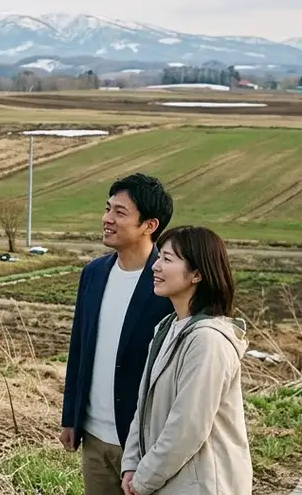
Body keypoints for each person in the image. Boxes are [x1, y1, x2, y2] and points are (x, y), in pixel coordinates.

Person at [60, 173, 175, 495]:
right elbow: (79, 347)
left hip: (143, 440)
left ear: (149, 225)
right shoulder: (94, 273)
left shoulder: (166, 281)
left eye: (120, 213)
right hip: (94, 436)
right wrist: (71, 416)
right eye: (107, 209)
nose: (107, 219)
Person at [120, 225, 252, 495]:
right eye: (159, 257)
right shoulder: (166, 329)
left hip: (202, 485)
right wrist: (131, 464)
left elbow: (187, 427)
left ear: (198, 274)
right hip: (169, 481)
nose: (155, 267)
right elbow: (143, 406)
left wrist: (143, 478)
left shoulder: (208, 341)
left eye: (167, 259)